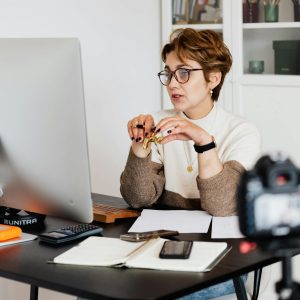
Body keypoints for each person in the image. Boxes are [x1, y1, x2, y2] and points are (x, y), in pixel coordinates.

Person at [120, 28, 261, 299]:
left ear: (213, 78)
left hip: (225, 259)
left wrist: (203, 141)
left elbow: (222, 206)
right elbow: (138, 198)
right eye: (169, 73)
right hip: (164, 249)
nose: (173, 84)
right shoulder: (158, 122)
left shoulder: (242, 131)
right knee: (95, 290)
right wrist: (140, 148)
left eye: (184, 72)